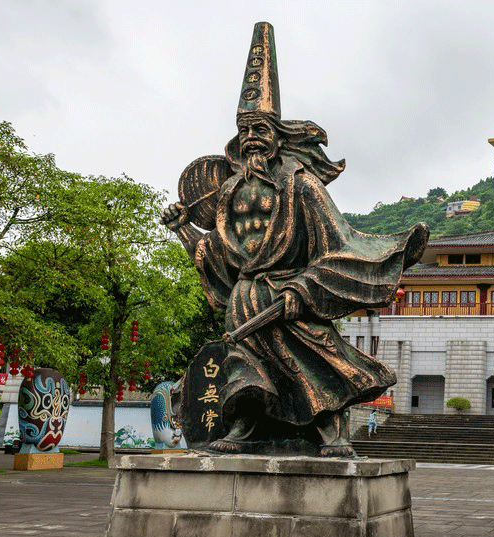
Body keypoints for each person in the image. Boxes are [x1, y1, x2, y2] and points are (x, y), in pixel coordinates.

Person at [161, 23, 427, 456]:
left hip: (288, 291)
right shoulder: (228, 192)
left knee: (313, 359)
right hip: (245, 296)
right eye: (244, 128)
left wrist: (302, 289)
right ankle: (244, 429)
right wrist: (182, 229)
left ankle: (330, 431)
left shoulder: (300, 184)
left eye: (261, 128)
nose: (252, 137)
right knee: (245, 364)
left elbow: (334, 241)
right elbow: (215, 257)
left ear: (278, 135)